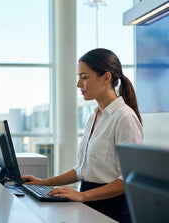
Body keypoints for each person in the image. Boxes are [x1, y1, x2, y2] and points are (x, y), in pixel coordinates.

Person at [22, 48, 143, 223]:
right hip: (90, 204)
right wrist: (43, 183)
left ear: (106, 78)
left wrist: (83, 196)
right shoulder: (94, 116)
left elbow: (128, 179)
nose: (79, 84)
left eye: (84, 77)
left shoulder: (124, 117)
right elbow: (82, 170)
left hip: (113, 210)